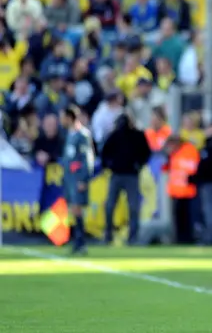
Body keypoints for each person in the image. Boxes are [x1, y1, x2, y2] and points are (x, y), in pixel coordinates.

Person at [101, 113, 152, 245]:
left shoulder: (138, 135)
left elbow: (146, 153)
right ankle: (108, 234)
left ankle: (133, 236)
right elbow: (104, 153)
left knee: (133, 207)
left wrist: (138, 165)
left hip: (131, 175)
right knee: (110, 206)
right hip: (117, 174)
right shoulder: (114, 136)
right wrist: (109, 165)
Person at [60, 105, 95, 255]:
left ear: (69, 117)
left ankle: (81, 242)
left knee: (77, 208)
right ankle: (76, 241)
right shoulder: (70, 134)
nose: (61, 120)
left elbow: (87, 158)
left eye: (63, 117)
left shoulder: (83, 135)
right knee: (72, 209)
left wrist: (83, 178)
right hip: (69, 178)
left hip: (77, 178)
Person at [162, 135, 200, 244]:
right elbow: (166, 168)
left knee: (188, 217)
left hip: (188, 190)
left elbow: (191, 168)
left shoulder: (189, 150)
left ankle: (188, 239)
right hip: (176, 190)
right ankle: (179, 239)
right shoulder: (173, 155)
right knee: (178, 218)